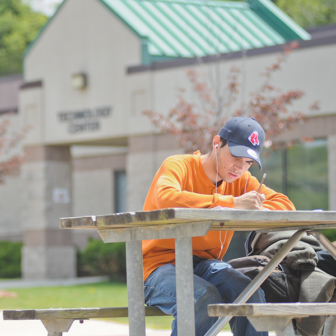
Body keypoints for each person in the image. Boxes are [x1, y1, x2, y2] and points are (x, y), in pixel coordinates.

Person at [142, 117, 295, 336]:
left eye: (248, 162)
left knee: (249, 292)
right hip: (157, 266)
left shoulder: (242, 181)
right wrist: (232, 203)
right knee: (202, 296)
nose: (240, 168)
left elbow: (285, 204)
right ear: (217, 143)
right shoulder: (178, 164)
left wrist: (258, 210)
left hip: (205, 266)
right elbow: (166, 197)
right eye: (235, 156)